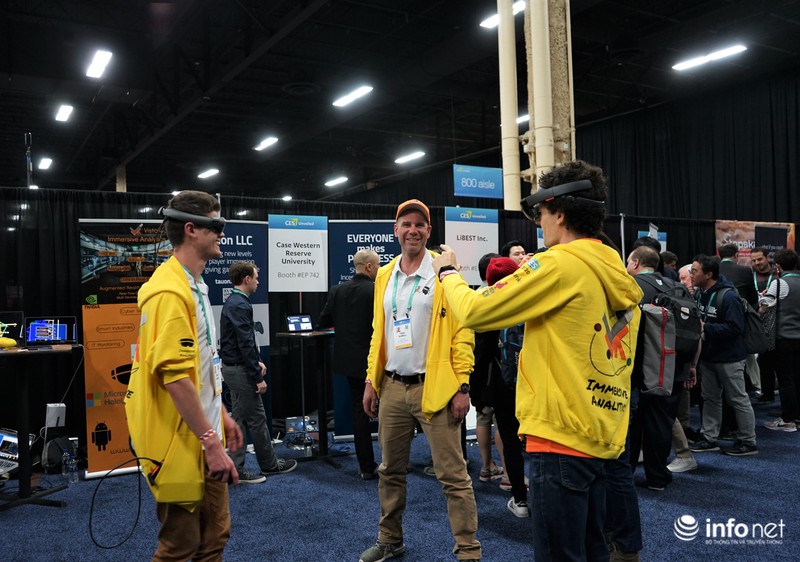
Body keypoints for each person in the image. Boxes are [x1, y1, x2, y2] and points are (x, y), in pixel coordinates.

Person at [433, 161, 643, 562]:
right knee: (592, 550)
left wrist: (448, 273)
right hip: (603, 434)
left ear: (559, 214)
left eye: (542, 214)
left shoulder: (558, 263)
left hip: (559, 436)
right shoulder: (614, 267)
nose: (540, 224)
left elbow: (476, 310)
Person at [359, 199, 481, 562]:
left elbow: (463, 332)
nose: (412, 230)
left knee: (453, 477)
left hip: (437, 388)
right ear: (395, 230)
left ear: (428, 230)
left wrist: (462, 385)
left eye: (419, 224)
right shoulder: (385, 274)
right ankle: (390, 539)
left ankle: (468, 551)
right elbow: (378, 332)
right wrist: (371, 380)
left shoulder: (444, 271)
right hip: (393, 387)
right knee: (390, 471)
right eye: (406, 224)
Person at [125, 190, 243, 561]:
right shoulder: (170, 293)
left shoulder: (195, 286)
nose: (222, 233)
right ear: (191, 229)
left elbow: (200, 368)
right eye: (216, 225)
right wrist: (211, 442)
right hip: (181, 442)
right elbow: (174, 379)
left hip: (203, 433)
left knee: (214, 537)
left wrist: (221, 416)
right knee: (180, 545)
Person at [220, 261, 297, 483]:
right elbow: (244, 342)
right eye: (255, 277)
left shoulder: (236, 302)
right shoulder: (239, 304)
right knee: (257, 418)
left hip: (235, 368)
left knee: (239, 419)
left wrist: (257, 361)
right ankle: (269, 465)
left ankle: (236, 468)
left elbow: (244, 340)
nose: (258, 282)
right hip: (240, 371)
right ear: (246, 279)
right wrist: (256, 377)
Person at [318, 249, 381, 479]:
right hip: (377, 360)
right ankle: (395, 463)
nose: (379, 269)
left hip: (350, 362)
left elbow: (323, 321)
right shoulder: (376, 290)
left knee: (359, 410)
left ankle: (366, 467)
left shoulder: (337, 290)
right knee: (389, 412)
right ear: (368, 266)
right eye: (378, 265)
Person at [689, 254, 758, 456]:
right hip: (708, 356)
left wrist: (705, 327)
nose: (691, 275)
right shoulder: (700, 293)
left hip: (730, 358)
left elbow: (735, 328)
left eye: (694, 271)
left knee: (738, 399)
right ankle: (709, 437)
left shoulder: (728, 296)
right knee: (710, 398)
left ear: (708, 274)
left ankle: (748, 441)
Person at [761, 249, 800, 432]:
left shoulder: (779, 283)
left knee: (785, 380)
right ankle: (796, 416)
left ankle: (788, 419)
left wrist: (763, 298)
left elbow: (765, 307)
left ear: (777, 265)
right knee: (797, 377)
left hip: (783, 337)